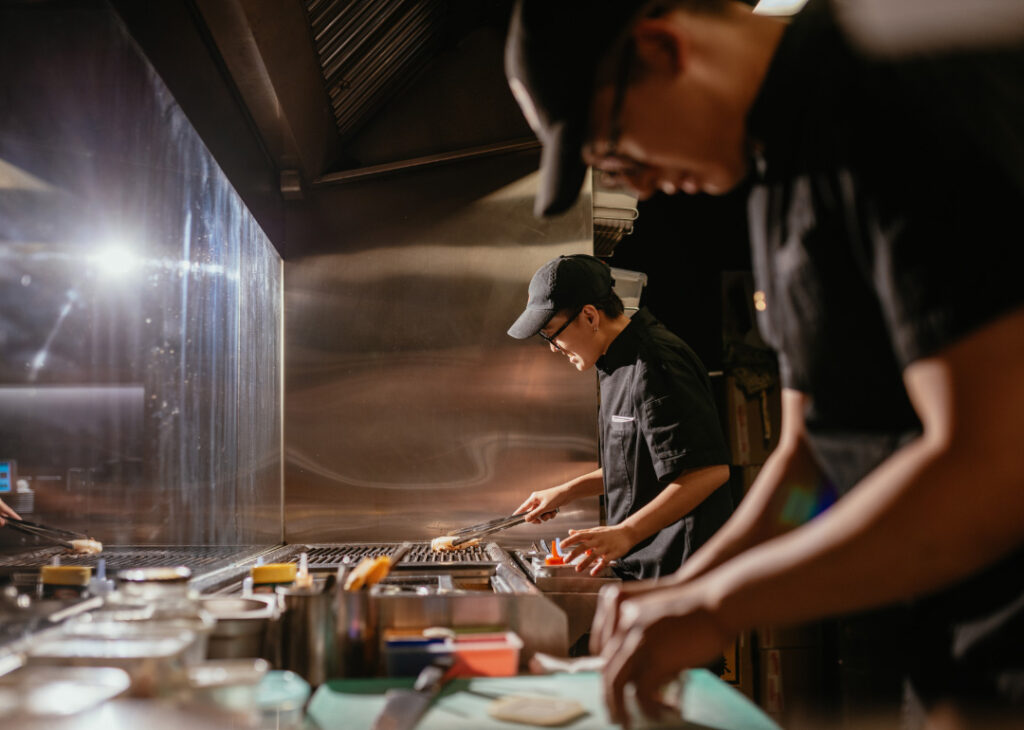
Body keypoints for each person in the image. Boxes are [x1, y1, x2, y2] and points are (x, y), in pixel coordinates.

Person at [504, 0, 1024, 727]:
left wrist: (718, 605)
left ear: (660, 50)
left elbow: (996, 460)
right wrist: (685, 593)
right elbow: (813, 463)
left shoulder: (894, 84)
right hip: (951, 641)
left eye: (618, 151)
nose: (642, 185)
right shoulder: (778, 171)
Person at [508, 253, 732, 582]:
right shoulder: (613, 362)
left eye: (553, 333)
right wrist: (566, 492)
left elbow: (708, 471)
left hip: (682, 570)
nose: (553, 347)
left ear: (589, 316)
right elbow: (640, 464)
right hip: (644, 567)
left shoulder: (655, 363)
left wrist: (626, 532)